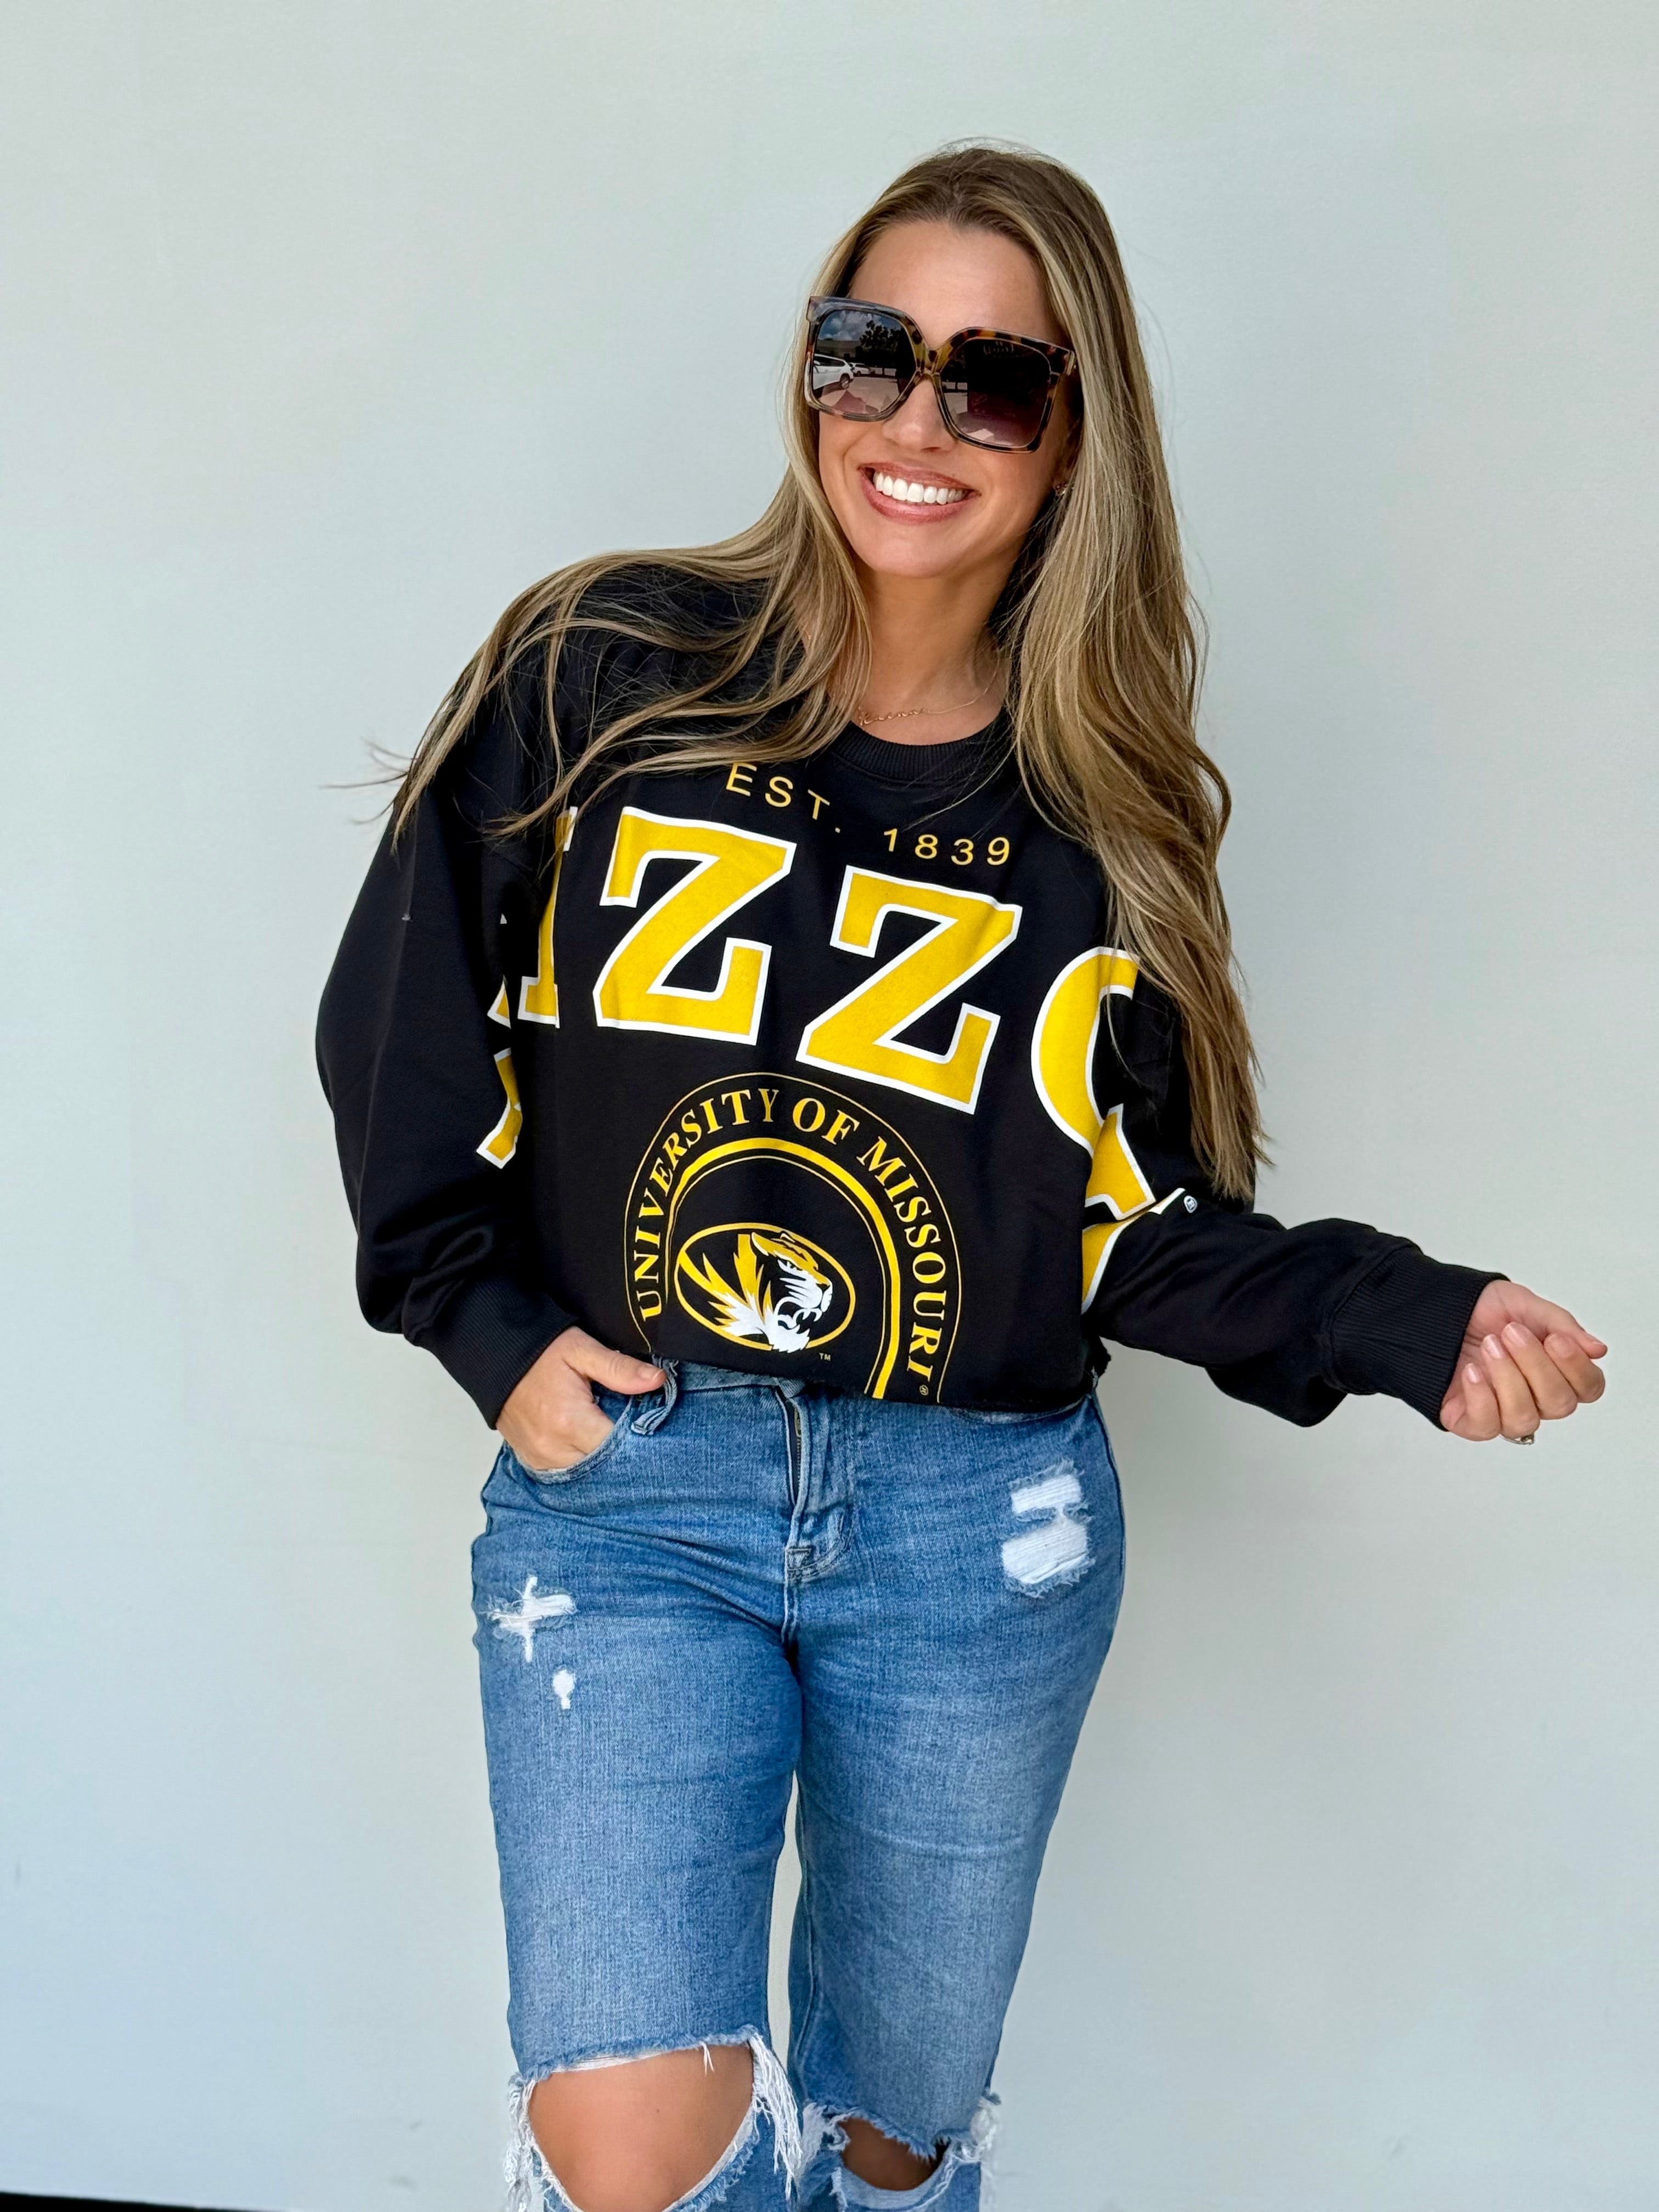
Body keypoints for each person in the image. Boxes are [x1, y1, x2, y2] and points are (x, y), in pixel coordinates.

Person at [317, 142, 1606, 2212]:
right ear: (814, 370)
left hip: (976, 1538)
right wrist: (480, 1324)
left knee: (888, 2152)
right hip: (638, 1500)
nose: (918, 422)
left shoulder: (1101, 815)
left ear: (1077, 436)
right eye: (873, 352)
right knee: (631, 2143)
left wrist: (1411, 1318)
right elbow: (401, 1015)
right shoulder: (601, 670)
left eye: (995, 380)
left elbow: (1134, 1223)